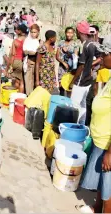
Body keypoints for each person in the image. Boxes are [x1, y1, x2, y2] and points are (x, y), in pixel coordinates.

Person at [76, 34, 111, 214]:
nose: (102, 57)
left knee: (108, 187)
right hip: (100, 139)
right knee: (100, 181)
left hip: (108, 143)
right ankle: (96, 208)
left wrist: (110, 153)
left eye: (105, 54)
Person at [69, 21, 97, 124]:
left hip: (81, 80)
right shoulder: (91, 44)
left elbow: (81, 66)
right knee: (83, 106)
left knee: (74, 105)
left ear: (79, 32)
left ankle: (72, 126)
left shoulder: (85, 46)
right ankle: (81, 127)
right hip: (87, 80)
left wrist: (73, 81)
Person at [56, 27, 79, 96]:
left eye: (71, 33)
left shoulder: (75, 44)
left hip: (71, 69)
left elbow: (75, 57)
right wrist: (63, 62)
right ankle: (61, 102)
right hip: (62, 68)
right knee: (61, 86)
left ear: (73, 34)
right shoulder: (61, 43)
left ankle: (68, 104)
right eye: (68, 32)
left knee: (69, 87)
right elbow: (57, 56)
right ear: (65, 33)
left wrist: (68, 52)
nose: (69, 34)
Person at [8, 24, 28, 93]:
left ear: (20, 31)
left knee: (17, 80)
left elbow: (12, 54)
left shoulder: (15, 41)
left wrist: (10, 66)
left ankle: (16, 97)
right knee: (22, 81)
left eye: (17, 29)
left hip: (16, 61)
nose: (15, 31)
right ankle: (21, 98)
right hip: (24, 61)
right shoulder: (27, 40)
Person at [23, 23, 41, 95]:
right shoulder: (27, 40)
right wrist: (33, 52)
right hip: (29, 64)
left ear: (38, 32)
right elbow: (25, 51)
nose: (33, 34)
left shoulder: (38, 41)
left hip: (36, 65)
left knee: (34, 82)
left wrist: (32, 52)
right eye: (32, 32)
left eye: (35, 32)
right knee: (28, 83)